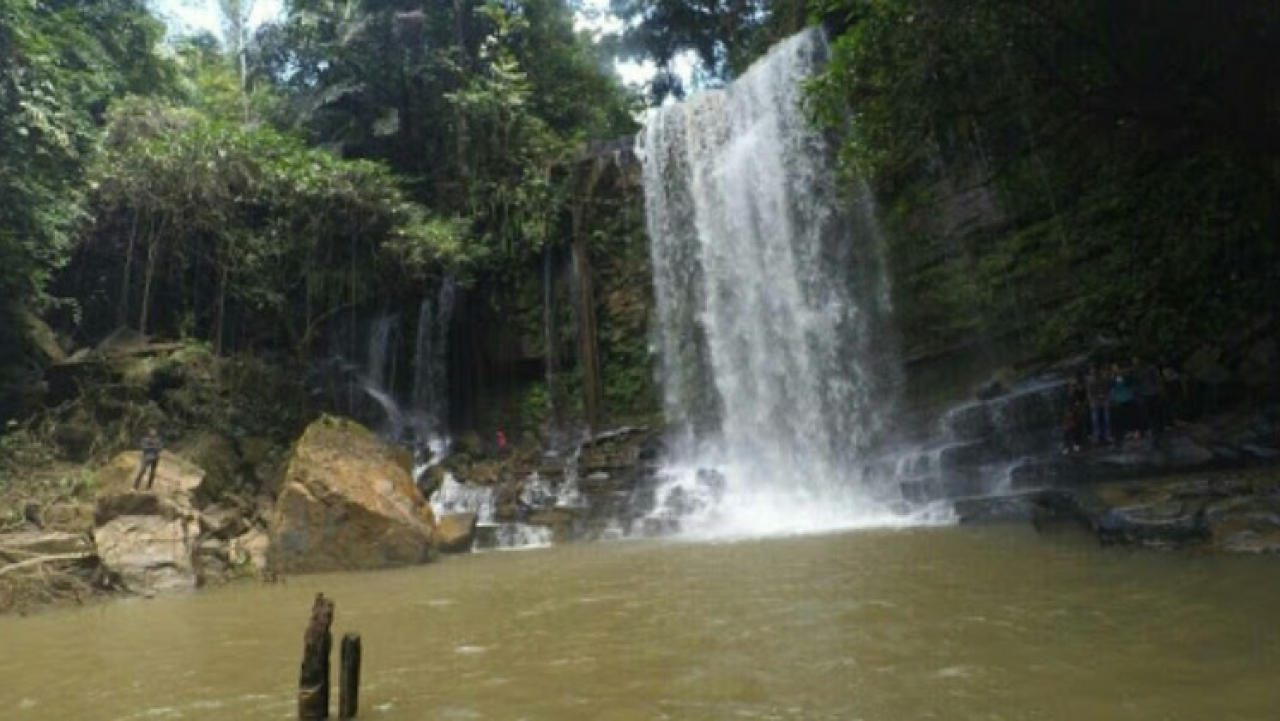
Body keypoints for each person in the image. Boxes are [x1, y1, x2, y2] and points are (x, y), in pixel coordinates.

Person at [1085, 366, 1113, 444]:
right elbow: (1089, 392)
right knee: (1095, 420)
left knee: (1106, 418)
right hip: (1094, 401)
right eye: (1092, 370)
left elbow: (1108, 388)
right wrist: (1092, 400)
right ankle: (1097, 436)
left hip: (1104, 399)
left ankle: (1107, 435)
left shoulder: (1104, 377)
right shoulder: (1089, 379)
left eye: (1094, 370)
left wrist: (1106, 397)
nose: (1093, 371)